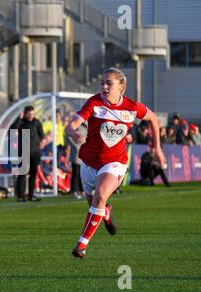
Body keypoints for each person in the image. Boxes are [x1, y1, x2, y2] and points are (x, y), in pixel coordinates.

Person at [65, 67, 165, 259]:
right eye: (102, 82)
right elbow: (73, 124)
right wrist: (72, 131)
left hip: (114, 162)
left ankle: (81, 245)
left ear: (121, 87)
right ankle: (106, 213)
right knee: (95, 204)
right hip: (89, 162)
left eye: (109, 83)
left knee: (101, 195)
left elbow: (153, 118)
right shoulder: (94, 103)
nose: (104, 86)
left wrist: (157, 148)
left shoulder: (132, 107)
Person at [11, 105, 45, 202]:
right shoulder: (21, 122)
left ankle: (31, 195)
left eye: (33, 114)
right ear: (25, 114)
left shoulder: (37, 122)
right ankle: (21, 196)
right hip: (24, 151)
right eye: (29, 114)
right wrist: (19, 118)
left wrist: (40, 144)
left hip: (35, 152)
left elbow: (41, 136)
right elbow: (12, 129)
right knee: (22, 173)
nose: (31, 116)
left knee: (33, 174)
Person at [67, 123, 87, 199]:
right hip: (76, 153)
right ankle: (74, 191)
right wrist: (75, 145)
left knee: (83, 173)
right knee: (76, 172)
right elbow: (68, 136)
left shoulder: (86, 126)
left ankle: (82, 190)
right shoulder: (74, 125)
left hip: (84, 152)